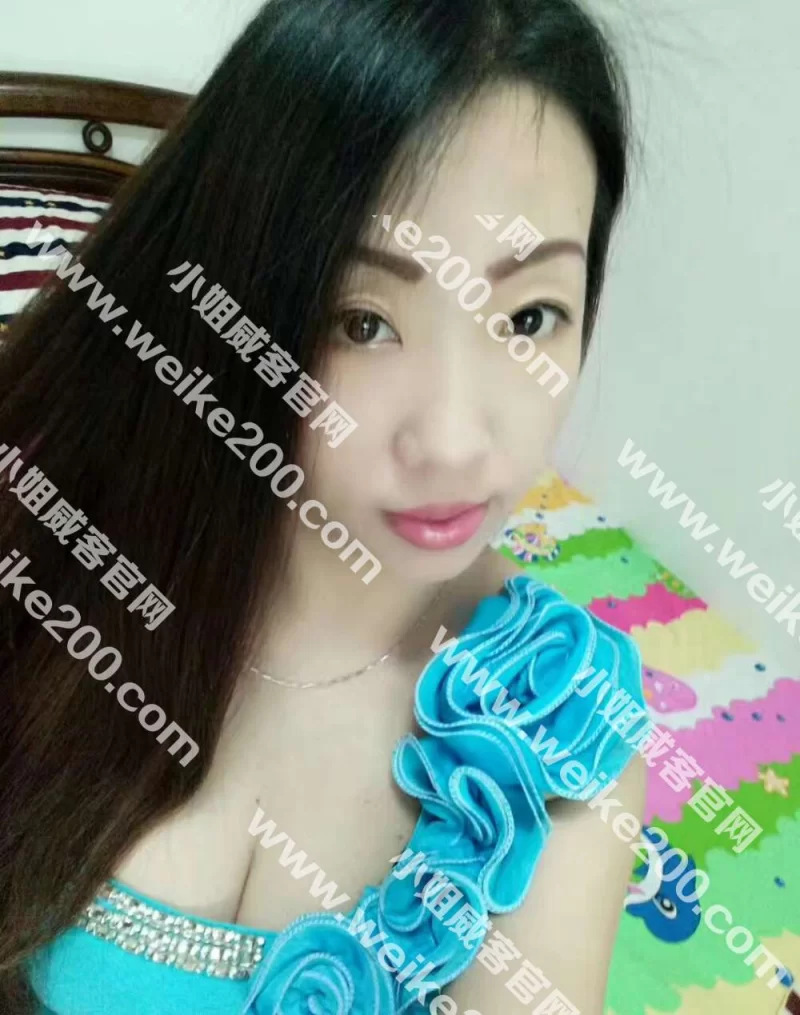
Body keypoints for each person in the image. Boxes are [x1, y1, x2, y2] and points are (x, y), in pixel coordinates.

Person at [0, 0, 647, 1011]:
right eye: (361, 320)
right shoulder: (70, 543)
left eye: (529, 316)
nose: (453, 441)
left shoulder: (552, 737)